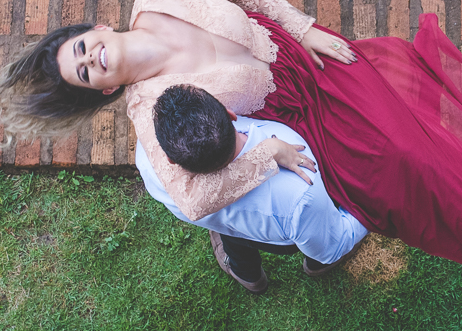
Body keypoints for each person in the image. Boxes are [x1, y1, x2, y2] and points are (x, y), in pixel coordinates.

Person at [0, 0, 462, 324]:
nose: (92, 60)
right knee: (407, 167)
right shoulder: (150, 109)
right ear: (101, 91)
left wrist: (303, 26)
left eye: (82, 50)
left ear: (93, 31)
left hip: (315, 57)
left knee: (412, 123)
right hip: (306, 117)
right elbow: (191, 199)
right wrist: (269, 156)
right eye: (85, 74)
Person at [141, 83, 368, 292]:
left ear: (170, 160)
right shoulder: (301, 191)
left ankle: (249, 277)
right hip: (285, 232)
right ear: (230, 114)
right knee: (318, 235)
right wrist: (367, 207)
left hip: (230, 223)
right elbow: (332, 245)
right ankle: (316, 266)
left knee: (230, 234)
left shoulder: (147, 160)